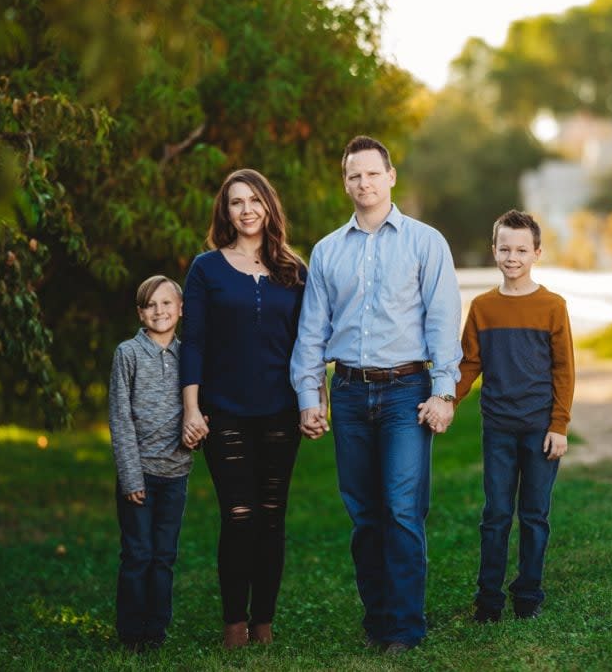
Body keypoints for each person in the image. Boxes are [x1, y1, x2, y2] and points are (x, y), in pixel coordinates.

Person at [290, 135, 462, 654]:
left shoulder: (425, 242)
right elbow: (311, 333)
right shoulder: (326, 251)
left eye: (371, 173)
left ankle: (406, 628)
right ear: (344, 183)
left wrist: (445, 391)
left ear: (391, 176)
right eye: (353, 176)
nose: (363, 183)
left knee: (403, 509)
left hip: (406, 392)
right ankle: (379, 617)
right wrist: (308, 397)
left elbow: (443, 318)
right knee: (364, 515)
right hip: (347, 392)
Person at [180, 168, 312, 650]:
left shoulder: (295, 270)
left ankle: (264, 622)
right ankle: (234, 623)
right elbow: (192, 342)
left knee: (272, 516)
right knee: (239, 514)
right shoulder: (205, 269)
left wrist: (312, 401)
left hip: (281, 410)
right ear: (226, 212)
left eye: (255, 200)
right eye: (237, 202)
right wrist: (191, 409)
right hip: (224, 411)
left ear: (269, 206)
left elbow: (307, 343)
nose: (247, 209)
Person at [453, 209, 575, 624]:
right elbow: (469, 364)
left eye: (522, 250)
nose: (512, 256)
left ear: (536, 253)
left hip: (540, 429)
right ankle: (488, 601)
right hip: (499, 428)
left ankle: (528, 594)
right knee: (496, 515)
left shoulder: (552, 307)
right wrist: (446, 400)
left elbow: (564, 370)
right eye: (505, 248)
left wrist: (559, 425)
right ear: (494, 251)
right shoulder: (483, 307)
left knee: (535, 515)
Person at [108, 274, 194, 653]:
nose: (159, 311)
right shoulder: (127, 354)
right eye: (151, 305)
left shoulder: (188, 354)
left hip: (176, 474)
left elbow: (196, 410)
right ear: (141, 312)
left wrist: (198, 434)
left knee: (164, 556)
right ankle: (131, 633)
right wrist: (130, 476)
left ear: (180, 309)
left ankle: (155, 632)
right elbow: (120, 417)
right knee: (138, 554)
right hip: (139, 472)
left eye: (166, 303)